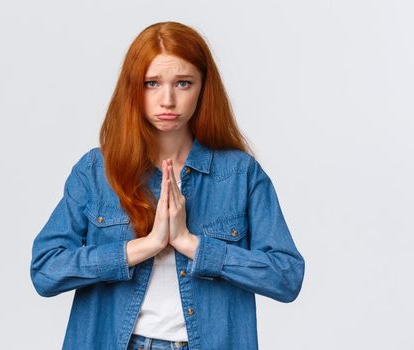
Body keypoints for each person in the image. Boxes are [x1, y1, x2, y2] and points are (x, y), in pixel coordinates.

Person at [30, 21, 305, 350]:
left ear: (203, 88)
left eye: (183, 83)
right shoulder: (96, 171)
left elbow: (287, 276)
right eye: (151, 83)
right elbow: (45, 271)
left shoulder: (239, 174)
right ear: (133, 88)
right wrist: (145, 246)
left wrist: (192, 245)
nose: (168, 100)